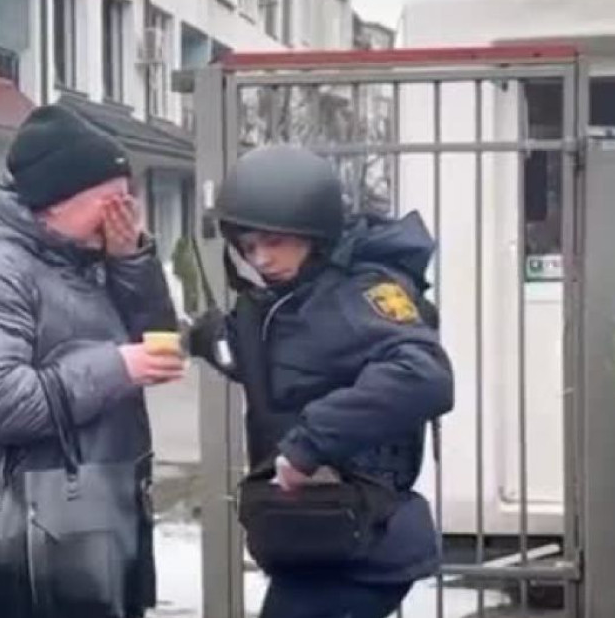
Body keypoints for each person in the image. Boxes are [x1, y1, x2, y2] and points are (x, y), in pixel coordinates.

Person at [0, 104, 182, 618]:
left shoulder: (83, 254)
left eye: (128, 198)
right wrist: (116, 368)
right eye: (111, 200)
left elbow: (154, 334)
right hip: (8, 530)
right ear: (56, 203)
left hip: (76, 516)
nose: (124, 213)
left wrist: (130, 260)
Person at [187, 145, 455, 618]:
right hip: (315, 540)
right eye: (248, 246)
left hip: (361, 543)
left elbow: (424, 374)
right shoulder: (286, 301)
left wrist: (308, 444)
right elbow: (256, 360)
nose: (261, 258)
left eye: (274, 242)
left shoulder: (359, 293)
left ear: (314, 235)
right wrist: (137, 268)